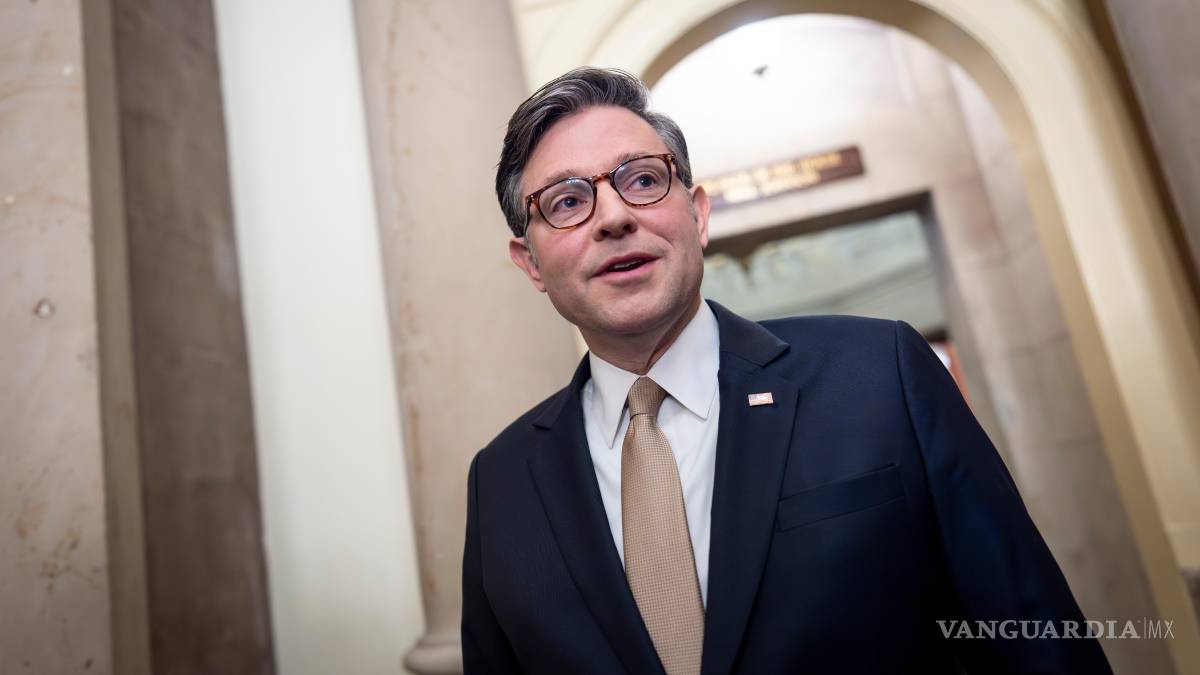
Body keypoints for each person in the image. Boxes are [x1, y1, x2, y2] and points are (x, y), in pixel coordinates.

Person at [461, 66, 1112, 675]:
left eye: (643, 180)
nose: (614, 217)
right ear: (531, 262)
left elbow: (1037, 639)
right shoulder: (502, 481)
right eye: (567, 202)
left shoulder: (880, 375)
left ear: (698, 213)